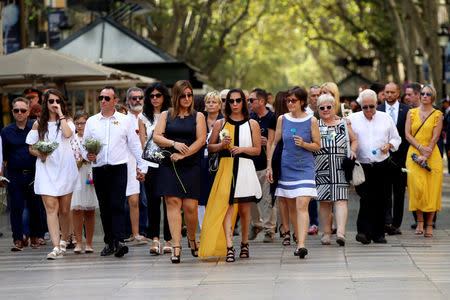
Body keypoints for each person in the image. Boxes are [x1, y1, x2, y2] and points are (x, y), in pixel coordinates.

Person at [82, 86, 147, 258]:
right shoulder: (92, 121)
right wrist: (87, 155)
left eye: (107, 98)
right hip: (99, 168)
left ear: (115, 101)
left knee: (117, 204)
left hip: (119, 168)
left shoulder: (125, 120)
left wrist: (142, 165)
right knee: (104, 207)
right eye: (101, 97)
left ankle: (119, 241)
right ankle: (109, 241)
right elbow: (84, 145)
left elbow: (134, 144)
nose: (103, 101)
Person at [199, 88, 261, 262]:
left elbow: (257, 150)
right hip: (225, 167)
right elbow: (209, 147)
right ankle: (229, 246)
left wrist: (242, 149)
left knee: (244, 209)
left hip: (245, 166)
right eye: (231, 101)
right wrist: (222, 145)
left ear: (243, 102)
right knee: (227, 207)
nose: (234, 104)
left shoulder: (252, 124)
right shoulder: (221, 123)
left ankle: (244, 243)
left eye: (238, 100)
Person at [153, 80, 206, 263]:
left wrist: (184, 154)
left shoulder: (198, 116)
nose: (187, 99)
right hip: (169, 164)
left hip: (191, 163)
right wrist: (174, 144)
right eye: (183, 95)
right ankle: (176, 245)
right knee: (173, 202)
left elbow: (201, 140)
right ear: (176, 96)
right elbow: (157, 136)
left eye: (189, 95)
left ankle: (192, 238)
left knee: (190, 207)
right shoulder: (166, 115)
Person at [267, 86, 321, 259]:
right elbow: (274, 143)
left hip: (305, 168)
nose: (289, 103)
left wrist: (305, 144)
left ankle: (302, 245)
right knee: (292, 208)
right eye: (288, 100)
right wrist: (269, 166)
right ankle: (298, 238)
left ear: (302, 102)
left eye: (293, 101)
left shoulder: (311, 120)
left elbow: (318, 145)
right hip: (286, 167)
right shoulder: (282, 119)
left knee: (301, 205)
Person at [26, 89, 81, 259]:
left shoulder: (68, 121)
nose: (54, 104)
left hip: (65, 168)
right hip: (46, 169)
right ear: (45, 103)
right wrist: (40, 153)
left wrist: (61, 115)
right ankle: (56, 246)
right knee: (51, 208)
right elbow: (31, 147)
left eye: (57, 101)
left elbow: (67, 134)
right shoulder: (38, 124)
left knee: (65, 210)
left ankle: (65, 241)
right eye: (51, 101)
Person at [348, 89, 401, 245]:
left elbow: (396, 138)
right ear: (360, 106)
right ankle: (363, 232)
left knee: (382, 199)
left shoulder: (385, 118)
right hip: (362, 165)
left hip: (382, 164)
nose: (369, 110)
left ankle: (378, 234)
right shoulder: (352, 119)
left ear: (377, 104)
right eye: (365, 107)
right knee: (366, 198)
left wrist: (389, 144)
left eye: (372, 106)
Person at [313, 94, 358, 246]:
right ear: (318, 110)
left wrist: (352, 151)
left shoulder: (344, 123)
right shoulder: (315, 124)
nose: (325, 110)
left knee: (340, 200)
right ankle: (326, 233)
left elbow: (355, 140)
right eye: (322, 108)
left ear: (334, 107)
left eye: (328, 107)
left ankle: (340, 233)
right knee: (324, 202)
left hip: (340, 167)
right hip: (321, 167)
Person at [1, 97, 43, 251]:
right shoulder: (6, 131)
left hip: (34, 173)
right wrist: (1, 175)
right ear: (12, 112)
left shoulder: (35, 127)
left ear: (28, 112)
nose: (19, 113)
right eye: (16, 110)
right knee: (16, 208)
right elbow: (2, 156)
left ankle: (34, 237)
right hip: (14, 174)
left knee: (35, 207)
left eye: (23, 110)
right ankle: (17, 239)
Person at [138, 82, 173, 255]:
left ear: (164, 96)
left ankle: (168, 239)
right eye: (151, 96)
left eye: (158, 95)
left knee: (169, 202)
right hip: (151, 163)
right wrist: (142, 168)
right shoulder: (144, 116)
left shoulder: (171, 114)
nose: (154, 99)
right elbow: (143, 144)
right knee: (152, 202)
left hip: (168, 162)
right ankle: (154, 239)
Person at [405, 85, 443, 238]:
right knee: (417, 189)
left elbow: (435, 137)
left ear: (432, 97)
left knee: (432, 191)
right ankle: (419, 220)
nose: (425, 96)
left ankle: (429, 224)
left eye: (428, 94)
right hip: (414, 154)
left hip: (432, 155)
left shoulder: (437, 114)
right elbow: (407, 134)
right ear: (419, 96)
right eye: (423, 93)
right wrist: (420, 148)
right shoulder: (411, 113)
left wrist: (426, 155)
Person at [378, 82, 411, 235]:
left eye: (392, 92)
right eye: (387, 92)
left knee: (399, 192)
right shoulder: (377, 110)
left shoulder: (408, 111)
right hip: (382, 157)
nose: (389, 95)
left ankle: (396, 223)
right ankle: (386, 221)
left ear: (398, 93)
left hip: (402, 158)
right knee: (383, 191)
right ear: (383, 94)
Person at [247, 88, 277, 243]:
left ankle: (269, 230)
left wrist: (270, 164)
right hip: (250, 164)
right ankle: (257, 224)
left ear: (262, 101)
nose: (249, 103)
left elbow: (273, 142)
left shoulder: (272, 118)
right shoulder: (249, 118)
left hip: (266, 164)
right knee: (250, 198)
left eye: (251, 100)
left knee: (268, 199)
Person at [70, 111, 98, 253]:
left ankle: (89, 243)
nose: (80, 126)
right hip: (76, 174)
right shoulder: (71, 139)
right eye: (77, 123)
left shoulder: (93, 139)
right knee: (76, 209)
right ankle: (78, 242)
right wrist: (75, 163)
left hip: (90, 172)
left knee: (90, 210)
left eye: (83, 123)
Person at [124, 87, 148, 244]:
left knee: (145, 200)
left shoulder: (149, 118)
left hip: (148, 162)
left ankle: (144, 230)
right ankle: (128, 232)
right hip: (127, 163)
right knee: (128, 200)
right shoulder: (122, 119)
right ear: (128, 101)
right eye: (134, 98)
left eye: (140, 97)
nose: (137, 100)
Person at [268, 90, 291, 245]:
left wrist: (268, 163)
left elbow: (270, 142)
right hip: (283, 157)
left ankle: (286, 228)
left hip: (279, 157)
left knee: (281, 196)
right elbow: (272, 141)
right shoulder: (276, 118)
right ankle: (288, 228)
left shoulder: (275, 117)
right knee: (286, 196)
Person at [198, 91, 223, 227]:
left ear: (219, 105)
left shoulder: (224, 121)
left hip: (219, 161)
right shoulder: (199, 119)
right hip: (201, 161)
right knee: (201, 196)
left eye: (214, 102)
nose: (211, 104)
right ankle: (203, 229)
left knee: (218, 196)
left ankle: (217, 228)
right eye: (208, 102)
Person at [305, 85, 321, 235]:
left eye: (318, 95)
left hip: (324, 156)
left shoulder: (326, 109)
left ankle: (331, 222)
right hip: (308, 155)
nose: (316, 98)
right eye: (313, 96)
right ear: (309, 97)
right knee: (311, 193)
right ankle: (313, 222)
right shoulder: (304, 113)